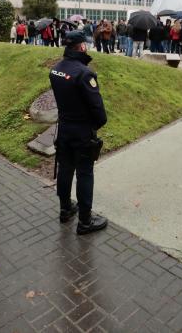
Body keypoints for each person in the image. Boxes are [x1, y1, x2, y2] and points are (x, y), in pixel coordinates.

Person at [50, 30, 108, 235]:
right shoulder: (85, 73)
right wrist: (95, 126)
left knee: (66, 169)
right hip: (82, 131)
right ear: (81, 47)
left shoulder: (56, 70)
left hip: (64, 128)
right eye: (86, 44)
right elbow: (98, 110)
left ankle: (65, 209)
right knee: (85, 173)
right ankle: (85, 221)